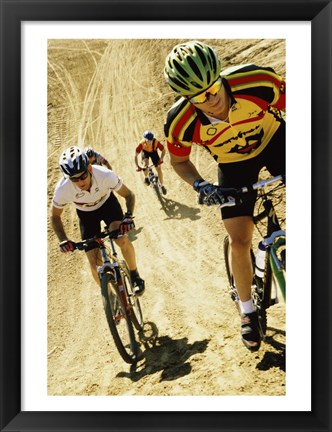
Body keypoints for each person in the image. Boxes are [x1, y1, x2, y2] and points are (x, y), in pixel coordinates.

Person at [163, 40, 285, 351]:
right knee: (239, 239)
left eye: (214, 86)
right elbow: (179, 161)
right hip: (234, 164)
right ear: (186, 98)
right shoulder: (180, 122)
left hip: (275, 140)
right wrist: (201, 185)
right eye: (200, 96)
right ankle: (246, 310)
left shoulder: (256, 81)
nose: (213, 98)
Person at [50, 146, 145, 295]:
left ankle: (135, 275)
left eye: (82, 176)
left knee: (121, 239)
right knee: (94, 265)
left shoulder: (105, 175)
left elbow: (129, 195)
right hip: (86, 215)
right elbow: (55, 216)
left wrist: (128, 217)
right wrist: (63, 239)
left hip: (108, 206)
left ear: (89, 168)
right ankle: (109, 296)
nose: (80, 182)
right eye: (74, 179)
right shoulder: (63, 189)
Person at [135, 130, 167, 195]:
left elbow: (163, 150)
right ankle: (146, 178)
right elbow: (135, 156)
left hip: (153, 153)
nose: (149, 142)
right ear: (145, 139)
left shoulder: (156, 142)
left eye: (151, 140)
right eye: (148, 141)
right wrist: (137, 166)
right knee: (145, 165)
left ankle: (161, 185)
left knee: (159, 168)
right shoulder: (141, 144)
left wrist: (161, 159)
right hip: (145, 153)